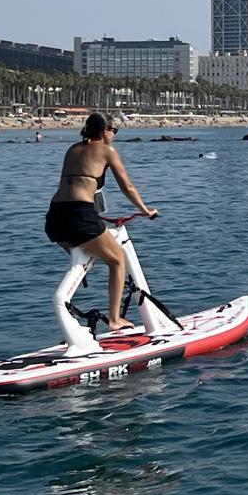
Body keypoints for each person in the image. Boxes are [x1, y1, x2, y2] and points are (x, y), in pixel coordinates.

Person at [45, 113, 158, 332]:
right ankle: (115, 320)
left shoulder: (72, 149)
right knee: (117, 260)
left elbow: (79, 183)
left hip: (55, 218)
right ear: (104, 131)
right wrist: (146, 211)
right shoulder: (107, 151)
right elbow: (128, 187)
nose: (114, 135)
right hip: (80, 215)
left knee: (87, 254)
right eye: (113, 130)